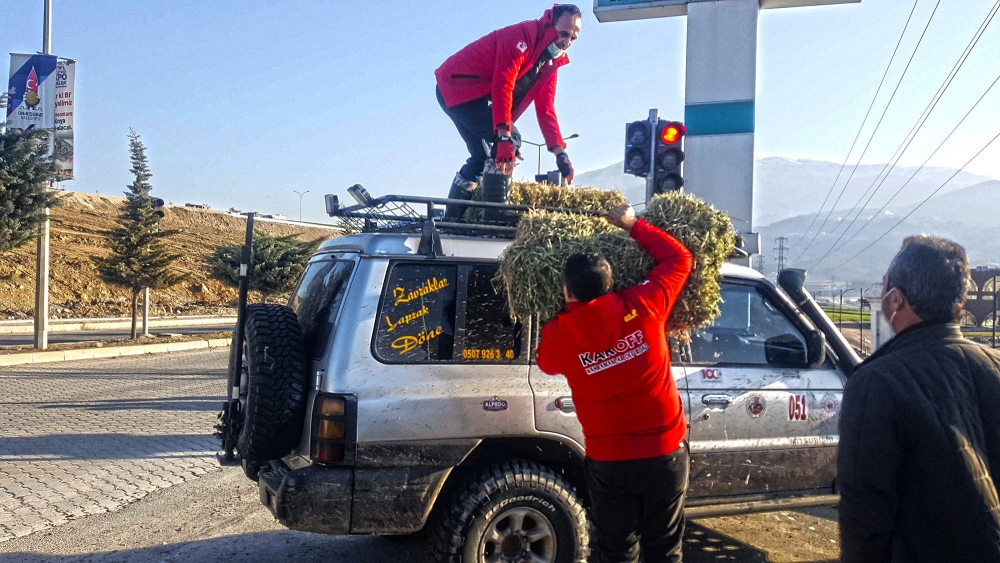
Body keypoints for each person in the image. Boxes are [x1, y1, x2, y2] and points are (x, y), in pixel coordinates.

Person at [535, 204, 694, 563]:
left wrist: (566, 320)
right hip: (664, 453)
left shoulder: (559, 335)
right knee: (665, 550)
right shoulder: (647, 302)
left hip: (610, 461)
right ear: (613, 283)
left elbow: (544, 362)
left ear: (566, 293)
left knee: (617, 552)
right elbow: (680, 259)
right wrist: (631, 223)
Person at [838, 235, 1000, 563]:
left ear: (895, 300)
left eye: (885, 285)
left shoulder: (876, 382)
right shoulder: (993, 364)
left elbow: (866, 512)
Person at [435, 4, 580, 218]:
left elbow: (546, 108)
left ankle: (452, 218)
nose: (566, 42)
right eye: (563, 34)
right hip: (456, 87)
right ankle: (496, 212)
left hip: (467, 96)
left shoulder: (548, 63)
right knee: (511, 138)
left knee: (480, 156)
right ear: (550, 24)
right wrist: (504, 137)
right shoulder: (522, 37)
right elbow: (504, 83)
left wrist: (560, 153)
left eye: (573, 38)